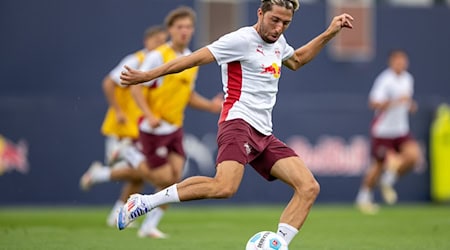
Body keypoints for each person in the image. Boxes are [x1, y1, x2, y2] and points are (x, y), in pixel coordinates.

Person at [118, 0, 353, 246]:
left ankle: (278, 244)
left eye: (286, 23)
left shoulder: (279, 43)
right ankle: (145, 202)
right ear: (260, 13)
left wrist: (329, 33)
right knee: (224, 187)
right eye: (274, 20)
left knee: (308, 187)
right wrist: (147, 75)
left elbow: (297, 60)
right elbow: (193, 59)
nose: (279, 28)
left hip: (263, 132)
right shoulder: (240, 40)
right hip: (237, 123)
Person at [82, 6, 223, 238]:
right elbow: (137, 85)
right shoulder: (157, 55)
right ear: (170, 30)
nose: (185, 31)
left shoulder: (190, 57)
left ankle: (148, 226)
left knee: (175, 178)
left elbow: (187, 94)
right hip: (152, 129)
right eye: (180, 27)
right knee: (161, 178)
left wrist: (210, 106)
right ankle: (130, 155)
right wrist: (148, 114)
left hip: (175, 127)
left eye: (189, 27)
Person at [79, 25, 167, 228]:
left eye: (163, 42)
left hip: (142, 127)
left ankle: (116, 215)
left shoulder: (160, 62)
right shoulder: (136, 60)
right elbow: (109, 83)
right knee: (140, 171)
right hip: (125, 126)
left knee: (138, 177)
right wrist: (118, 110)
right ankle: (98, 174)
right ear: (147, 41)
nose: (160, 45)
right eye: (157, 41)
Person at [355, 49, 421, 214]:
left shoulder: (408, 79)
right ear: (391, 62)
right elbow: (374, 103)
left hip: (400, 129)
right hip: (383, 130)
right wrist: (395, 101)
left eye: (403, 60)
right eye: (398, 61)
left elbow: (406, 101)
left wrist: (410, 105)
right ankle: (363, 197)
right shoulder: (385, 80)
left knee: (414, 157)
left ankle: (389, 179)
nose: (401, 64)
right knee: (377, 166)